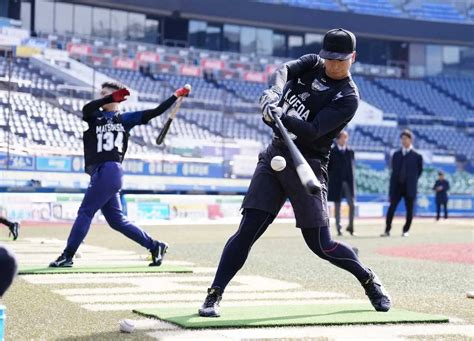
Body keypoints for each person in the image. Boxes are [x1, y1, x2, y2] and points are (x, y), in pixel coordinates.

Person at [198, 28, 391, 318]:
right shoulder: (313, 63)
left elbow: (313, 132)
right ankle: (214, 294)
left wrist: (280, 115)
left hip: (308, 165)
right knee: (247, 231)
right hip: (275, 156)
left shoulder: (348, 97)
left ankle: (367, 278)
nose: (333, 64)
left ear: (353, 58)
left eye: (341, 59)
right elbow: (284, 69)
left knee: (321, 246)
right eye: (330, 58)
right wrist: (274, 94)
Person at [49, 82, 190, 267]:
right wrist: (108, 98)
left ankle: (67, 255)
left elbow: (155, 112)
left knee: (85, 212)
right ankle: (155, 246)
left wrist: (176, 95)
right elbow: (86, 108)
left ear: (118, 97)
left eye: (105, 93)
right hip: (102, 173)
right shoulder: (94, 116)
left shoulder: (125, 119)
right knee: (116, 220)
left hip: (109, 170)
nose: (101, 96)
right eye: (101, 94)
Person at [381, 130, 423, 237]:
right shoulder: (396, 154)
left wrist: (412, 181)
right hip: (397, 186)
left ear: (410, 139)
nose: (403, 141)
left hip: (410, 187)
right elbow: (394, 171)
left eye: (406, 139)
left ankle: (405, 230)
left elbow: (419, 171)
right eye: (402, 139)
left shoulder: (417, 156)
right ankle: (387, 230)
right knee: (391, 208)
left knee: (409, 210)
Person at [328, 130, 356, 236]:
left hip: (348, 183)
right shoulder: (332, 151)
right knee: (337, 206)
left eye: (346, 138)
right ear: (338, 139)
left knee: (352, 205)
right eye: (343, 138)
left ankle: (351, 227)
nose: (344, 140)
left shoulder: (350, 152)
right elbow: (329, 168)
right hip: (336, 183)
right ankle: (339, 228)